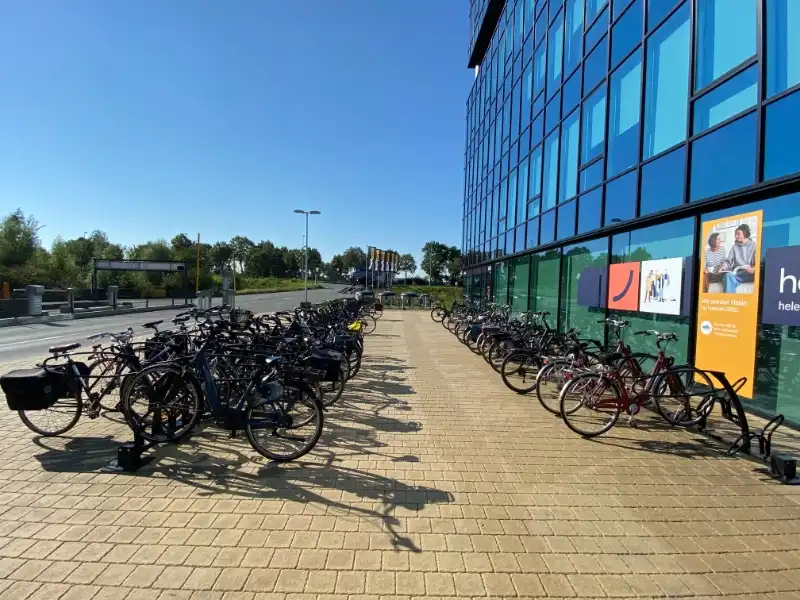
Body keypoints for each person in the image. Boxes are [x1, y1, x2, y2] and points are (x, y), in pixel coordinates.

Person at [721, 224, 756, 293]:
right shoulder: (734, 247)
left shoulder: (754, 245)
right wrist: (724, 267)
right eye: (735, 234)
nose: (736, 236)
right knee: (728, 276)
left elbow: (758, 262)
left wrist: (754, 268)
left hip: (750, 273)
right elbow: (728, 262)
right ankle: (729, 301)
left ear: (745, 233)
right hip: (738, 274)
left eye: (738, 234)